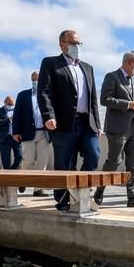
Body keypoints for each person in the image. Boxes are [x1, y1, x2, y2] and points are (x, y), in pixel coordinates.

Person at [37, 30, 101, 212]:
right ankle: (63, 199)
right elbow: (44, 91)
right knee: (64, 163)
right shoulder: (50, 63)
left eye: (79, 43)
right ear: (62, 44)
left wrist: (97, 124)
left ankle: (80, 190)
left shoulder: (87, 68)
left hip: (86, 122)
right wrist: (48, 116)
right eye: (73, 43)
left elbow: (93, 98)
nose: (77, 47)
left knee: (93, 156)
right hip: (63, 123)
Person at [94, 51, 134, 208]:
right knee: (114, 161)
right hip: (117, 128)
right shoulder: (112, 77)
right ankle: (100, 189)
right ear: (129, 62)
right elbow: (105, 99)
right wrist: (127, 104)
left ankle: (133, 197)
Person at [13, 71, 50, 196]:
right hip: (28, 133)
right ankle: (21, 179)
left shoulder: (48, 94)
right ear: (31, 80)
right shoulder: (23, 95)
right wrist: (15, 131)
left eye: (38, 79)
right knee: (28, 159)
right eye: (34, 79)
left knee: (42, 161)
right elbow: (17, 114)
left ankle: (38, 188)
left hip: (44, 133)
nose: (36, 81)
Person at [0, 96, 23, 170]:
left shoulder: (17, 110)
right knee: (5, 161)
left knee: (20, 156)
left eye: (12, 104)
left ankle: (12, 170)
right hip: (4, 139)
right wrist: (9, 119)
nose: (11, 106)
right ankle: (7, 178)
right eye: (9, 104)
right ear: (5, 102)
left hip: (16, 137)